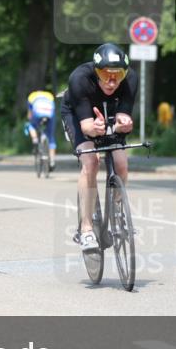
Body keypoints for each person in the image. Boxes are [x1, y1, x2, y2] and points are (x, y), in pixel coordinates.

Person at [61, 43, 138, 254]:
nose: (112, 82)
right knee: (91, 162)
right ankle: (85, 228)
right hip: (79, 116)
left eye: (117, 75)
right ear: (96, 72)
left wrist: (125, 123)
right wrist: (95, 129)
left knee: (121, 165)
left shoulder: (131, 79)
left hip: (109, 113)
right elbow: (87, 127)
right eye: (105, 75)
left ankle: (117, 213)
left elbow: (125, 115)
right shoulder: (79, 79)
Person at [24, 89, 58, 171]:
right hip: (50, 114)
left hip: (38, 113)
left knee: (31, 126)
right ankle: (52, 161)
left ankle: (35, 140)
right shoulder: (49, 95)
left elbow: (30, 114)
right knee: (50, 137)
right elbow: (53, 108)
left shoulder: (31, 97)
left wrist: (29, 121)